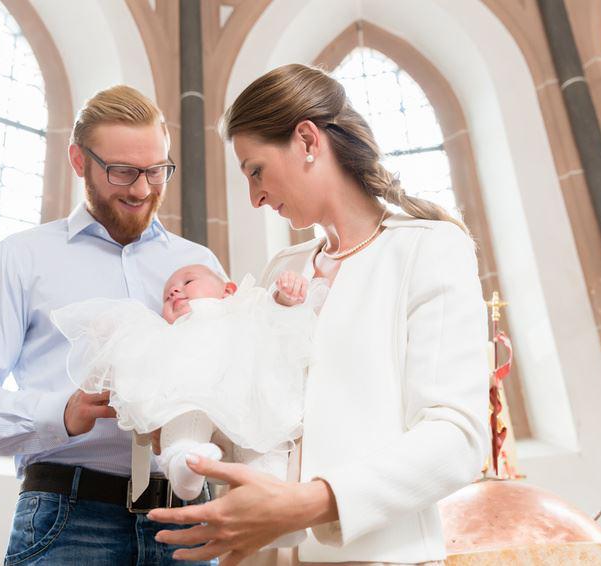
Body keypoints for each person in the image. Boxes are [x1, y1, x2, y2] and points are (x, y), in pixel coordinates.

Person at [148, 64, 490, 566]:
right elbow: (258, 406)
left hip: (382, 556)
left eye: (256, 170)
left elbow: (456, 437)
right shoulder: (281, 269)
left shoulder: (428, 248)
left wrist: (306, 504)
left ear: (307, 140)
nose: (255, 197)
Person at [0, 85, 222, 565]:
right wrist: (60, 414)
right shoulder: (23, 257)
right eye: (123, 171)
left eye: (156, 171)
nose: (143, 190)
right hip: (69, 518)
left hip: (186, 518)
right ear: (79, 161)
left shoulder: (198, 264)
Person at [50, 264, 320, 549]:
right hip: (193, 401)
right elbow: (132, 357)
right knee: (180, 416)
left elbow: (274, 319)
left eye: (188, 281)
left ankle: (274, 515)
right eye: (167, 296)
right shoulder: (168, 336)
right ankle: (184, 463)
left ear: (228, 291)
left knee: (263, 453)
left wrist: (285, 296)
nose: (174, 291)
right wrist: (110, 334)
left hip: (250, 406)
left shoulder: (243, 309)